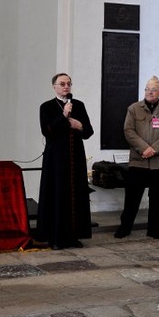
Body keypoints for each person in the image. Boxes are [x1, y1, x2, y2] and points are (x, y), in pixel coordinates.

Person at [36, 73, 94, 250]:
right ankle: (55, 238)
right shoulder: (46, 107)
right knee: (57, 195)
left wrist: (80, 126)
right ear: (54, 86)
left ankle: (73, 237)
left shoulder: (79, 105)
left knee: (75, 196)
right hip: (56, 159)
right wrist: (63, 115)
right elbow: (47, 131)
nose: (66, 86)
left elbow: (88, 132)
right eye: (62, 84)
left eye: (69, 83)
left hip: (75, 158)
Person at [115, 76, 159, 240]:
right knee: (132, 199)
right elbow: (128, 131)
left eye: (154, 89)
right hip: (139, 160)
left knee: (156, 199)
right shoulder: (134, 109)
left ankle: (154, 230)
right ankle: (125, 228)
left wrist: (154, 149)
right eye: (147, 89)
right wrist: (144, 148)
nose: (150, 92)